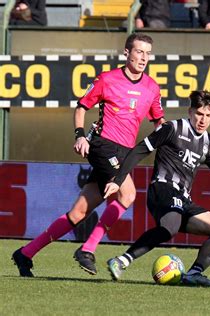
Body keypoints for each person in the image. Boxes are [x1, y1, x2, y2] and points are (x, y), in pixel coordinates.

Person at [11, 33, 165, 277]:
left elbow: (159, 122)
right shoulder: (107, 79)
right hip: (103, 146)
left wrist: (171, 139)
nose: (143, 57)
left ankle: (26, 253)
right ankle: (87, 249)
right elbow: (82, 107)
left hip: (124, 153)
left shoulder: (152, 88)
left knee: (78, 213)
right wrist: (80, 136)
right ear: (127, 53)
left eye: (147, 53)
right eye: (139, 52)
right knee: (128, 194)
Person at [103, 90, 210, 287]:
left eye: (209, 115)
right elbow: (140, 150)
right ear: (190, 111)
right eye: (199, 114)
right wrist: (118, 179)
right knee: (170, 228)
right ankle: (120, 261)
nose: (203, 120)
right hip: (163, 189)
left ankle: (194, 274)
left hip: (184, 199)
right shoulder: (172, 129)